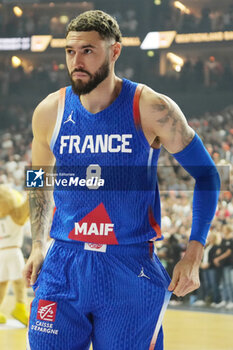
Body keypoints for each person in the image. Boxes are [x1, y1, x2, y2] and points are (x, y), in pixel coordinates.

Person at [23, 10, 220, 350]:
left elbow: (206, 174)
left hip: (128, 265)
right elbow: (39, 178)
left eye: (88, 50)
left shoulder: (151, 108)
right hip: (64, 261)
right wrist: (38, 244)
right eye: (70, 51)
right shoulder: (49, 112)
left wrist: (194, 252)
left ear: (114, 52)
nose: (76, 61)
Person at [0, 185, 29, 326]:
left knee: (1, 284)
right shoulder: (15, 216)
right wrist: (31, 196)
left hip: (0, 253)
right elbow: (27, 208)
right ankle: (20, 307)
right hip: (13, 251)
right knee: (19, 282)